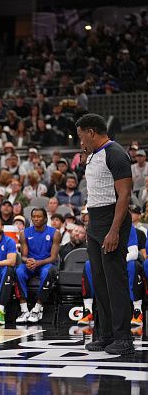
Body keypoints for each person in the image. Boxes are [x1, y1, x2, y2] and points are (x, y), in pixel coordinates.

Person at [76, 113, 134, 355]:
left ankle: (124, 338)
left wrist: (113, 230)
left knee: (115, 282)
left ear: (92, 132)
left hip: (113, 221)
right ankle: (105, 333)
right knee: (99, 281)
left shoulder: (116, 153)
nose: (81, 143)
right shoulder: (93, 156)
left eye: (81, 137)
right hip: (96, 222)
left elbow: (124, 195)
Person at [79, 225, 145, 328]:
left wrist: (114, 262)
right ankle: (88, 310)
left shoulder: (128, 226)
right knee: (89, 264)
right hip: (104, 261)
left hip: (122, 261)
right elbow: (94, 252)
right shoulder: (98, 225)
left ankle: (137, 311)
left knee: (134, 265)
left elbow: (134, 253)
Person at [15, 208, 61, 324]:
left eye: (39, 216)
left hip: (46, 264)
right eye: (34, 216)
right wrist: (29, 261)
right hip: (31, 265)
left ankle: (37, 308)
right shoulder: (24, 233)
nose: (36, 219)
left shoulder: (55, 233)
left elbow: (54, 257)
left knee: (48, 272)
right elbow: (23, 256)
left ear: (45, 218)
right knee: (19, 271)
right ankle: (24, 310)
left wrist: (38, 263)